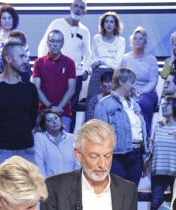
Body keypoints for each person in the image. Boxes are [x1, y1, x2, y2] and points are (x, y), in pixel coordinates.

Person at [0, 41, 39, 181]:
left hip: (26, 150)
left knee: (27, 196)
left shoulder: (30, 88)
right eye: (22, 56)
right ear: (8, 59)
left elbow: (32, 117)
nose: (26, 60)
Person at [37, 0, 91, 132]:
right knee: (48, 108)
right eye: (76, 6)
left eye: (81, 7)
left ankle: (67, 141)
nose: (78, 9)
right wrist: (43, 67)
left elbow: (88, 55)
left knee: (69, 110)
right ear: (70, 7)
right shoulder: (57, 23)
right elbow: (44, 45)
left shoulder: (85, 31)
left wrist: (86, 71)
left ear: (85, 12)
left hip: (74, 75)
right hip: (53, 72)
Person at [94, 67, 148, 187]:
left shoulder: (135, 105)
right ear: (122, 82)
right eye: (132, 82)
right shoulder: (104, 104)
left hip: (136, 155)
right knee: (117, 196)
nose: (134, 86)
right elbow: (99, 135)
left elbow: (141, 132)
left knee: (131, 196)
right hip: (117, 157)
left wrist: (144, 157)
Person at [148, 96, 176, 210]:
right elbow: (153, 147)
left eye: (167, 104)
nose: (163, 106)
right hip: (158, 172)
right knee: (156, 205)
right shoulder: (158, 126)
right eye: (163, 104)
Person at [33, 30, 77, 132]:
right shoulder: (38, 63)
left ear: (62, 44)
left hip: (63, 112)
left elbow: (71, 89)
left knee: (63, 146)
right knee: (41, 145)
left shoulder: (70, 63)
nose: (55, 44)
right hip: (43, 113)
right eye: (52, 41)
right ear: (47, 42)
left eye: (58, 41)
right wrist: (51, 107)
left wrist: (58, 109)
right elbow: (36, 88)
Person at [120, 26, 158, 138]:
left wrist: (141, 91)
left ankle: (145, 137)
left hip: (147, 93)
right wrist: (130, 90)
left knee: (143, 103)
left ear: (145, 41)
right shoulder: (125, 58)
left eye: (141, 38)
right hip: (128, 91)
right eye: (135, 38)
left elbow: (153, 81)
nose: (137, 41)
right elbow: (120, 78)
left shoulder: (151, 59)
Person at [86, 11, 124, 104]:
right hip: (97, 73)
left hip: (112, 74)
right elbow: (93, 60)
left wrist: (101, 61)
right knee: (92, 101)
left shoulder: (120, 40)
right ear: (103, 24)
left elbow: (117, 63)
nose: (109, 24)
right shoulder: (96, 38)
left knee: (111, 103)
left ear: (116, 25)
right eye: (106, 22)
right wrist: (102, 62)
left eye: (112, 22)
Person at [34, 109, 79, 177]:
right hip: (50, 183)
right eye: (49, 120)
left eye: (56, 118)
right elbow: (39, 164)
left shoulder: (72, 138)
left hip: (70, 183)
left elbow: (77, 164)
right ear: (44, 125)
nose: (54, 122)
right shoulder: (40, 138)